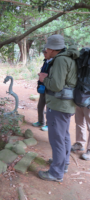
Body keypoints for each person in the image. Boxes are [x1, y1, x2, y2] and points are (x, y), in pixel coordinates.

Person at [37, 34, 79, 182]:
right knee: (64, 136)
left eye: (47, 47)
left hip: (58, 105)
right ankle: (63, 163)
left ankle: (56, 172)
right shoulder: (68, 58)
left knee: (57, 139)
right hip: (66, 105)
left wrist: (43, 79)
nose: (46, 49)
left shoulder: (60, 60)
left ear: (52, 48)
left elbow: (56, 85)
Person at [32, 47, 52, 131]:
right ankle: (41, 121)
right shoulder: (45, 62)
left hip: (49, 88)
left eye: (45, 52)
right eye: (44, 52)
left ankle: (48, 125)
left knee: (49, 107)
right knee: (40, 106)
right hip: (42, 87)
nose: (44, 54)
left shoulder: (54, 63)